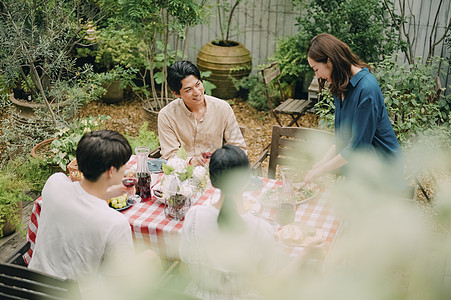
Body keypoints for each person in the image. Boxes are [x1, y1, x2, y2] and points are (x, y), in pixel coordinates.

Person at [179, 145, 324, 299]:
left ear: (213, 180)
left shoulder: (194, 216)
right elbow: (268, 287)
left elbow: (184, 270)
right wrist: (304, 255)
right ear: (246, 180)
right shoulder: (260, 230)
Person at [28, 130, 136, 281]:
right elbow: (121, 282)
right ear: (111, 171)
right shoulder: (115, 223)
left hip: (33, 286)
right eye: (124, 164)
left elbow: (79, 201)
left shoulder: (54, 183)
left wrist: (108, 193)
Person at [304, 33, 405, 192]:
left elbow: (357, 147)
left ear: (329, 61)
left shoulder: (367, 89)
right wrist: (321, 162)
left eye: (316, 69)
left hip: (382, 173)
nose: (317, 76)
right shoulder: (340, 85)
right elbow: (342, 136)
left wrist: (321, 171)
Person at [158, 60, 247, 166]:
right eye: (188, 90)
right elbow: (169, 155)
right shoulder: (167, 115)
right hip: (182, 172)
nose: (197, 92)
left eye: (198, 84)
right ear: (177, 94)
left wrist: (222, 162)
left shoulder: (222, 108)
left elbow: (239, 148)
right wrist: (191, 161)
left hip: (215, 171)